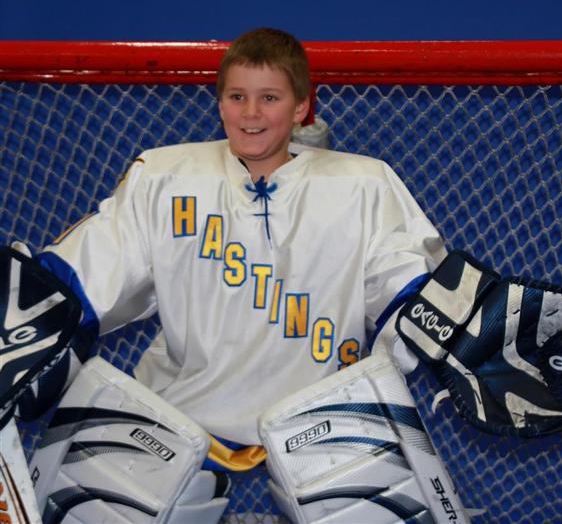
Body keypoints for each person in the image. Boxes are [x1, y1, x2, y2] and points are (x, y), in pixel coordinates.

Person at [35, 27, 447, 463]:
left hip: (325, 421)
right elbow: (89, 270)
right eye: (237, 97)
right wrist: (34, 314)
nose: (251, 112)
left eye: (269, 97)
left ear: (301, 106)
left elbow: (406, 286)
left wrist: (453, 332)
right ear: (220, 104)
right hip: (175, 417)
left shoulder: (364, 186)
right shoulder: (165, 179)